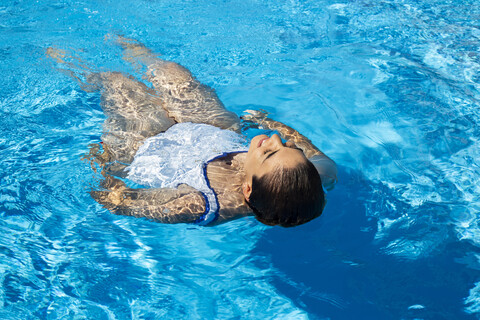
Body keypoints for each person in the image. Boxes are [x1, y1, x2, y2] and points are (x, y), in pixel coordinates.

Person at [50, 36, 337, 227]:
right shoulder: (313, 177)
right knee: (173, 74)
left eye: (270, 151)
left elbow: (122, 202)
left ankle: (73, 65)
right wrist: (273, 124)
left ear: (247, 189)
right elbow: (324, 162)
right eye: (289, 146)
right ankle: (135, 51)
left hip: (146, 149)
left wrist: (101, 167)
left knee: (119, 85)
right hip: (213, 130)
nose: (274, 140)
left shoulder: (200, 204)